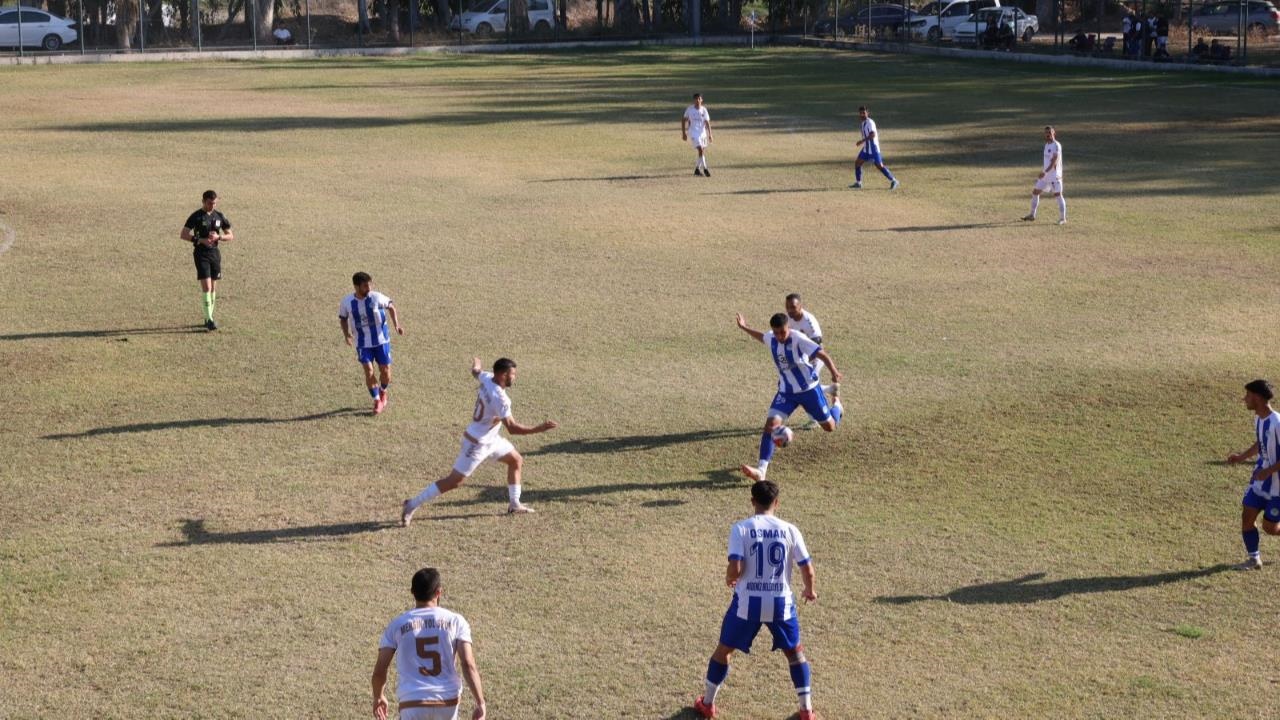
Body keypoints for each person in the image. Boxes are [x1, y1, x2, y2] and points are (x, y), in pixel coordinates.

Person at [693, 480, 818, 720]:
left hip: (746, 604)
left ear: (752, 501)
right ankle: (806, 710)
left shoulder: (741, 528)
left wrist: (730, 578)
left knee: (724, 651)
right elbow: (807, 569)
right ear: (777, 503)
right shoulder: (790, 529)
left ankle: (707, 704)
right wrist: (809, 590)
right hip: (780, 603)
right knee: (795, 654)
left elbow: (735, 566)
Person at [401, 357, 558, 523]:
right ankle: (411, 504)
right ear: (503, 375)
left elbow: (476, 372)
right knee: (454, 481)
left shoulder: (488, 377)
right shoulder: (501, 398)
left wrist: (477, 363)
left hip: (491, 440)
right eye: (513, 374)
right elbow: (512, 428)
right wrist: (539, 428)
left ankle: (514, 504)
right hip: (477, 444)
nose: (515, 377)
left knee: (516, 460)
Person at [735, 313, 843, 481]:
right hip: (786, 392)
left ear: (789, 328)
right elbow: (762, 337)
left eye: (782, 332)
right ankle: (761, 470)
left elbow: (821, 354)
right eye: (776, 332)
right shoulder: (771, 338)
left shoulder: (798, 338)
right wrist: (744, 327)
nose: (779, 336)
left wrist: (834, 371)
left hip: (810, 391)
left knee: (830, 427)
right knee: (770, 425)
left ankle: (837, 405)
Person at [371, 568, 487, 720]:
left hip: (412, 701)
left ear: (412, 592)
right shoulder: (456, 621)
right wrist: (480, 702)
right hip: (447, 701)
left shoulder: (397, 625)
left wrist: (378, 696)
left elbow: (380, 669)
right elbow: (468, 664)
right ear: (439, 592)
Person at [1226, 380, 1280, 571]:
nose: (1245, 399)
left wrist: (1269, 470)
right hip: (1260, 481)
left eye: (1248, 395)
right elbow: (1260, 444)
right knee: (1247, 515)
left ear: (1257, 397)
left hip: (1277, 488)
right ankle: (1254, 558)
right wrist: (1241, 456)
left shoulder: (1277, 423)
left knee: (1270, 529)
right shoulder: (1258, 419)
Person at [339, 272, 404, 415]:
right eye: (365, 286)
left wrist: (396, 325)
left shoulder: (376, 297)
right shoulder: (347, 302)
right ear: (356, 287)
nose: (369, 288)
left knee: (385, 372)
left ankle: (383, 391)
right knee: (368, 371)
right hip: (363, 343)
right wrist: (346, 334)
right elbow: (343, 318)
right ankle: (376, 400)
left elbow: (391, 306)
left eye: (370, 284)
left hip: (381, 341)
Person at [180, 190, 234, 331]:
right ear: (203, 201)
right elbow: (184, 234)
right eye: (210, 203)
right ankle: (209, 320)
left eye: (214, 203)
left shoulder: (219, 216)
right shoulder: (196, 216)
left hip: (214, 254)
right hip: (201, 254)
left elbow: (230, 235)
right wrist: (200, 240)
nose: (212, 206)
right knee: (207, 287)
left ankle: (208, 316)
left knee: (214, 288)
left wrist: (219, 237)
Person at [784, 293, 837, 398]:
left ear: (800, 306)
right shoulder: (789, 318)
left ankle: (832, 397)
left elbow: (817, 347)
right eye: (787, 307)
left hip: (814, 358)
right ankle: (832, 392)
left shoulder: (809, 323)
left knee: (805, 387)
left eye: (793, 307)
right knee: (795, 384)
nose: (789, 310)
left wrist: (802, 362)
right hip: (800, 357)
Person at [1022, 125, 1066, 225]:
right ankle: (1032, 215)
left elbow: (1054, 162)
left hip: (1054, 175)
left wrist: (1044, 172)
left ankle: (1063, 219)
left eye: (1049, 133)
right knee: (1035, 192)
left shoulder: (1056, 145)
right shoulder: (1046, 145)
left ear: (1054, 133)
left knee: (1058, 195)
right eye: (1046, 133)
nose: (1047, 135)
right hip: (1046, 175)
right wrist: (1045, 173)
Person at [851, 106, 899, 190]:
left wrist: (862, 141)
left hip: (873, 148)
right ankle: (858, 183)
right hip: (866, 148)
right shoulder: (863, 123)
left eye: (864, 113)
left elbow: (873, 135)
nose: (862, 115)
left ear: (867, 113)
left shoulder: (870, 122)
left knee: (879, 166)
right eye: (860, 113)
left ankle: (894, 180)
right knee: (857, 163)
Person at [682, 93, 713, 177]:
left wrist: (710, 134)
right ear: (694, 100)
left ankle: (697, 169)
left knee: (702, 151)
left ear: (702, 100)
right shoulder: (690, 109)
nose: (697, 100)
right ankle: (705, 169)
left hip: (702, 133)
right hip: (693, 132)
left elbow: (707, 122)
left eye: (699, 99)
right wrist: (684, 133)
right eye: (696, 99)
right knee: (700, 149)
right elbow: (683, 120)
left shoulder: (704, 110)